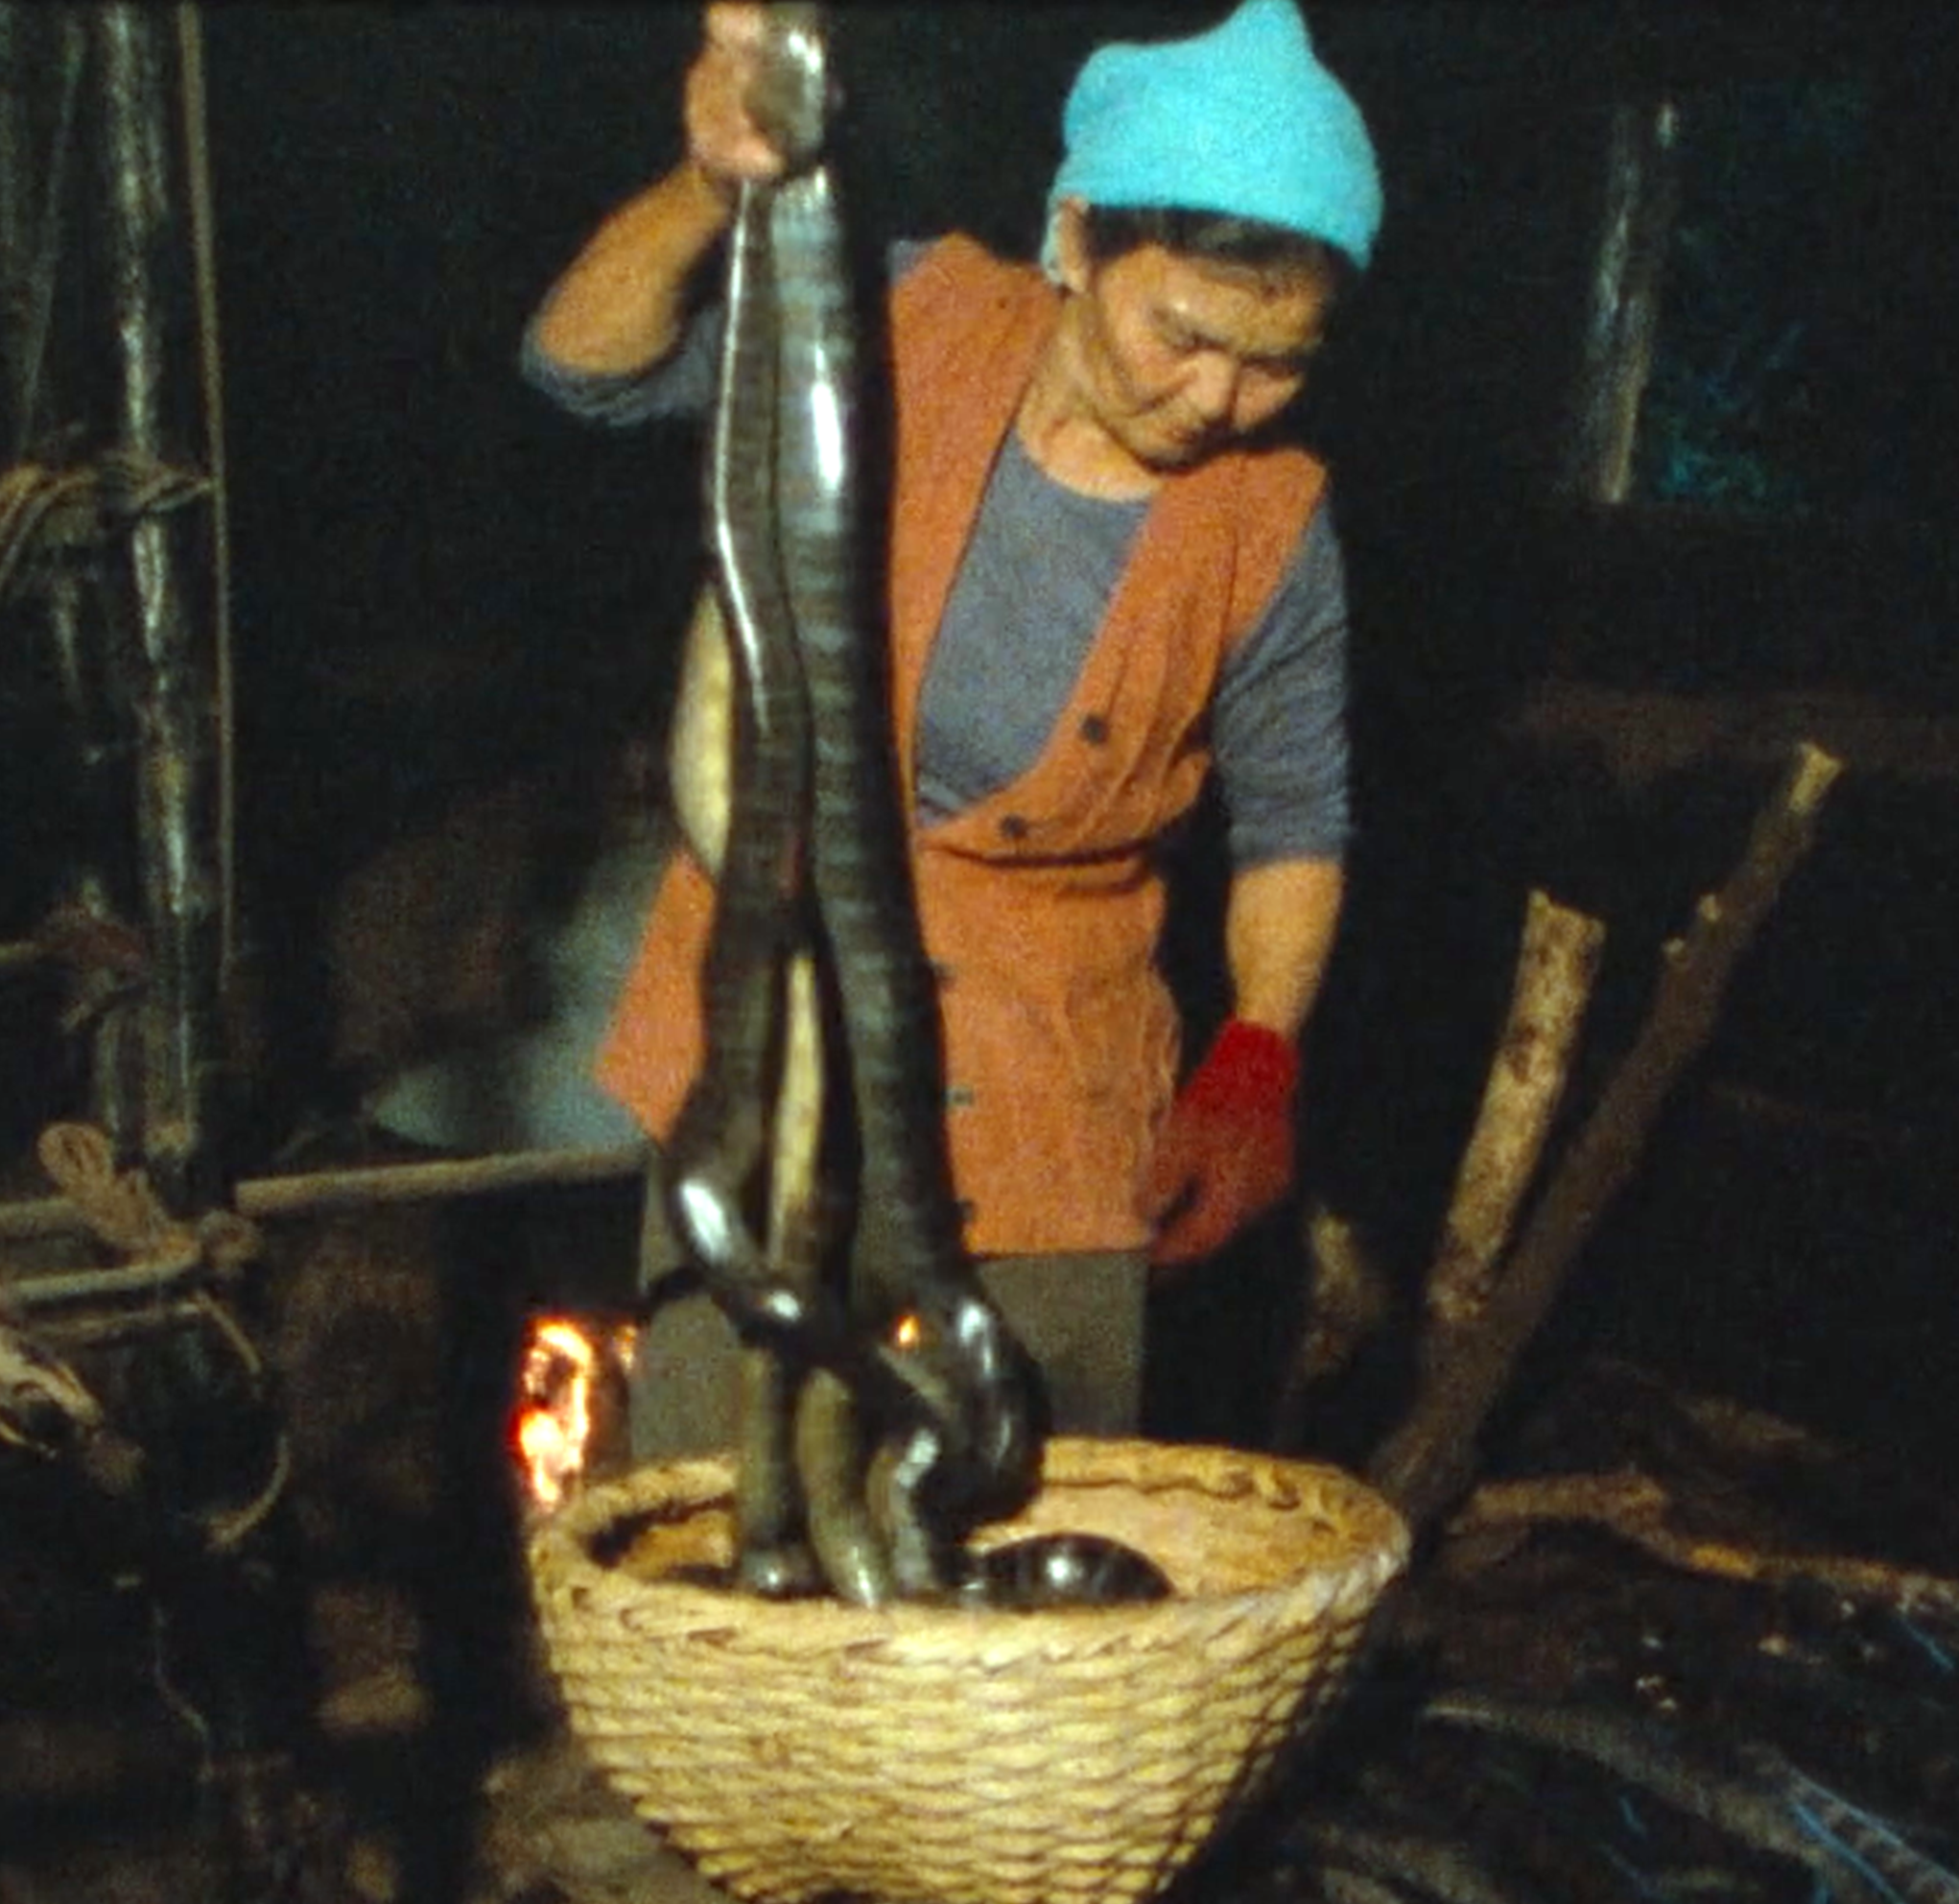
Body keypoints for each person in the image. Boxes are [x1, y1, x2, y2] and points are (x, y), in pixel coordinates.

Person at [522, 0, 1380, 1453]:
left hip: (1056, 1078)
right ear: (1076, 237)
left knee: (1031, 1520)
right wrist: (709, 184)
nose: (1218, 397)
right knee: (717, 1503)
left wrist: (1256, 1060)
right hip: (772, 1025)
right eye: (1182, 334)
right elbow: (583, 368)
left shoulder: (1274, 520)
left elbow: (1294, 815)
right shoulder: (902, 317)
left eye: (1276, 360)